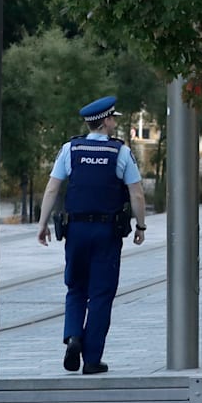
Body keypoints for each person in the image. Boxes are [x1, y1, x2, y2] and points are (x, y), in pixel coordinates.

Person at [35, 95, 147, 375]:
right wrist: (141, 226)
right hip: (107, 232)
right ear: (107, 120)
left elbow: (52, 189)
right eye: (114, 119)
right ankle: (92, 359)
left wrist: (42, 223)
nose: (115, 123)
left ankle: (73, 335)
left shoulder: (70, 149)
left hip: (76, 231)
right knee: (101, 293)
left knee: (75, 287)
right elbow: (136, 192)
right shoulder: (120, 153)